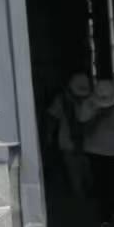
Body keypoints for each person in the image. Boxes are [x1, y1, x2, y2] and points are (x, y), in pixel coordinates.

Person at [78, 77, 114, 227]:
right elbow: (84, 130)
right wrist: (98, 116)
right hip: (96, 152)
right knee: (102, 188)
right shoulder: (88, 105)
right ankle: (105, 220)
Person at [46, 72, 92, 203]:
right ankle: (81, 203)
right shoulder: (61, 100)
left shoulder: (93, 99)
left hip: (90, 144)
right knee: (75, 177)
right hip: (69, 144)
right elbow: (52, 118)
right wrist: (49, 135)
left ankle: (89, 200)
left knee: (89, 175)